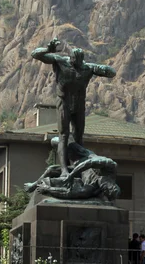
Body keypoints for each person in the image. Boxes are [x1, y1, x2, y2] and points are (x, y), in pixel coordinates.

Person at [31, 38, 116, 176]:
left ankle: (78, 167)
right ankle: (64, 169)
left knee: (78, 137)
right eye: (72, 60)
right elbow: (35, 54)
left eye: (77, 61)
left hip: (79, 105)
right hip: (63, 102)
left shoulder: (87, 68)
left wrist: (100, 68)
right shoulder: (60, 61)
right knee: (64, 135)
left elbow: (111, 72)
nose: (73, 63)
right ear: (70, 58)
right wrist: (48, 50)